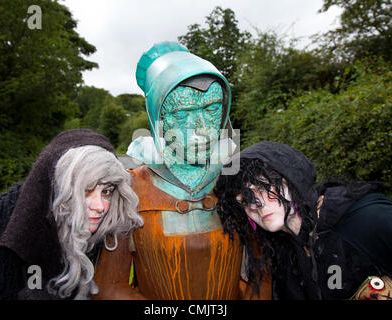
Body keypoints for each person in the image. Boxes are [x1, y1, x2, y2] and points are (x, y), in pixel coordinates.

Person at [92, 42, 271, 299]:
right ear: (159, 122)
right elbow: (109, 286)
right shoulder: (131, 190)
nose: (201, 127)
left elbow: (260, 272)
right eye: (183, 112)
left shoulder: (238, 182)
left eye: (211, 109)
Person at [214, 141, 392, 300]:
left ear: (293, 178)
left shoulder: (369, 220)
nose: (256, 204)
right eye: (245, 199)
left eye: (263, 188)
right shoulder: (281, 257)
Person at [0, 129, 143, 300]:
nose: (101, 206)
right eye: (86, 190)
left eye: (107, 191)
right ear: (56, 189)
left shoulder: (98, 229)